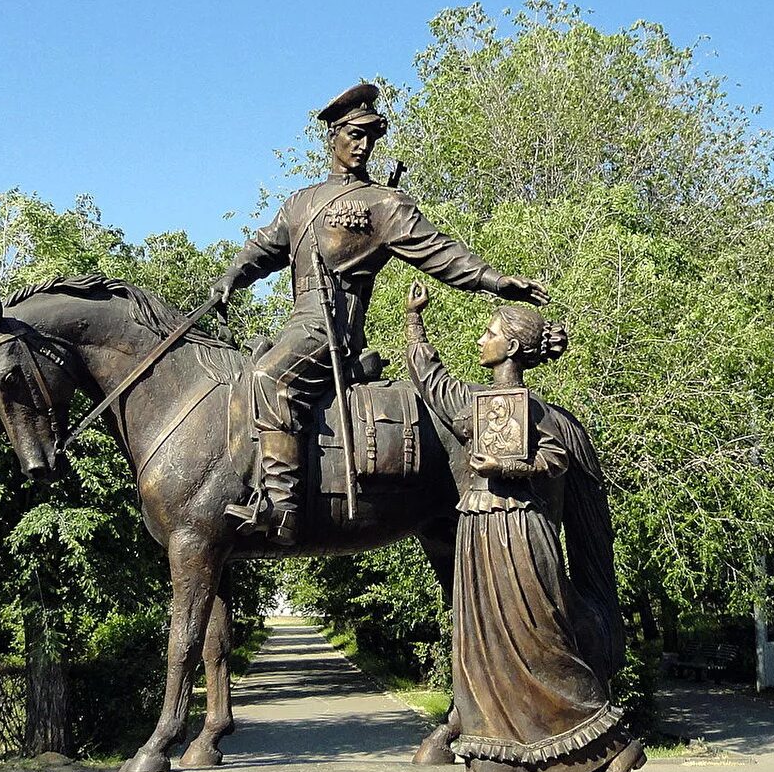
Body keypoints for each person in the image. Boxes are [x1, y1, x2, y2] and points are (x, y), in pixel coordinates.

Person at [208, 82, 547, 545]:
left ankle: (280, 508)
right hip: (299, 321)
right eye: (354, 134)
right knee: (244, 373)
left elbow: (440, 252)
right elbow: (266, 246)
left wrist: (492, 280)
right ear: (333, 137)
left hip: (333, 327)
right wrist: (232, 276)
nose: (363, 144)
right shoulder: (300, 202)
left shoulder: (384, 205)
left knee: (269, 377)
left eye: (371, 136)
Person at [404, 282, 645, 772]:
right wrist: (414, 319)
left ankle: (616, 744)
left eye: (490, 333)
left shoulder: (533, 411)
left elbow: (555, 460)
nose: (481, 341)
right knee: (482, 645)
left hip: (519, 533)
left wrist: (509, 465)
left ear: (511, 347)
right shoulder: (476, 403)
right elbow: (430, 379)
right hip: (478, 532)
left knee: (540, 642)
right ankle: (507, 754)